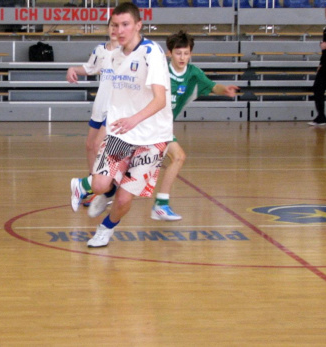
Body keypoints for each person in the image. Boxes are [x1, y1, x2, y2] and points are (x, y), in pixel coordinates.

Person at [70, 2, 173, 248]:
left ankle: (106, 228)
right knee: (100, 184)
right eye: (115, 25)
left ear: (138, 25)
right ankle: (83, 186)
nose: (120, 30)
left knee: (125, 199)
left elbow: (160, 100)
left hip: (152, 138)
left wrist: (134, 119)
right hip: (121, 135)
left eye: (125, 24)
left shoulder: (151, 53)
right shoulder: (113, 56)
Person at [151, 31, 239, 221]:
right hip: (148, 124)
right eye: (178, 53)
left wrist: (225, 90)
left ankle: (160, 204)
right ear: (169, 53)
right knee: (171, 159)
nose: (182, 57)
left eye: (186, 53)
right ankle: (92, 187)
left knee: (177, 158)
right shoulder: (159, 69)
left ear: (190, 54)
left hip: (162, 127)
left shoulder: (193, 73)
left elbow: (212, 86)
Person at [66, 18, 119, 205]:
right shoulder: (100, 50)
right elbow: (89, 68)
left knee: (99, 146)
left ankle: (105, 190)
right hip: (100, 105)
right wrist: (73, 69)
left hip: (115, 107)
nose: (115, 29)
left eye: (118, 26)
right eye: (112, 26)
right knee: (90, 146)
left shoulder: (127, 53)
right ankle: (94, 184)